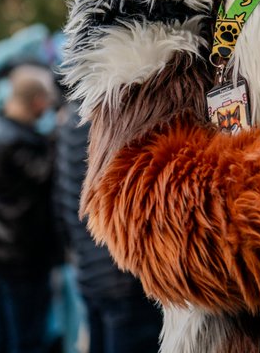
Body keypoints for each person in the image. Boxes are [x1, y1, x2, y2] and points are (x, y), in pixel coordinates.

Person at [56, 96, 162, 353]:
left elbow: (62, 200)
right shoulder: (106, 122)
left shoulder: (70, 121)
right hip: (120, 273)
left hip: (90, 269)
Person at [0, 65, 59, 353]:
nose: (50, 106)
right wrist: (58, 137)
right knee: (26, 339)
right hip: (22, 258)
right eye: (48, 99)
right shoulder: (21, 141)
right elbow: (45, 175)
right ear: (37, 100)